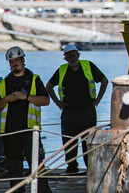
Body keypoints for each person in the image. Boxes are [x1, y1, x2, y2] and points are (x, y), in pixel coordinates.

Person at [0, 46, 52, 193]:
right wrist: (6, 99)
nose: (14, 64)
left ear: (23, 60)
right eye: (11, 61)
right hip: (10, 132)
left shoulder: (34, 80)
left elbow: (45, 100)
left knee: (37, 165)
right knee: (14, 168)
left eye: (17, 60)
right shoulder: (3, 84)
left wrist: (26, 97)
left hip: (30, 131)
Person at [46, 43, 108, 174]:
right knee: (69, 142)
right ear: (66, 58)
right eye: (69, 57)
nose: (72, 59)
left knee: (89, 142)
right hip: (69, 112)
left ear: (78, 55)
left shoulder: (88, 66)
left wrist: (98, 100)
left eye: (74, 56)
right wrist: (58, 103)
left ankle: (90, 169)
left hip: (87, 111)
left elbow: (104, 80)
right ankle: (71, 168)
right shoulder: (62, 70)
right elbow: (49, 86)